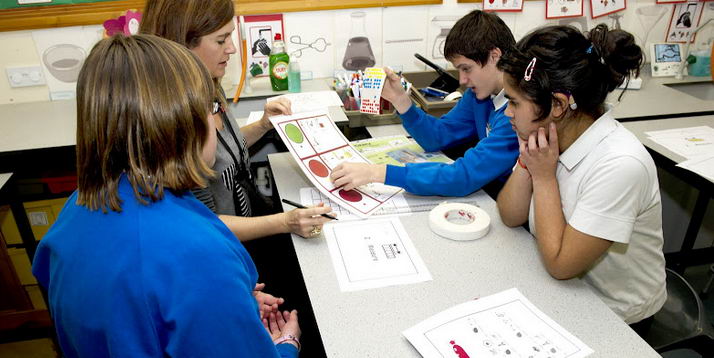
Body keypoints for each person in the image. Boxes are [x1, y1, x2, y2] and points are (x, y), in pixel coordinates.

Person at [31, 34, 302, 357]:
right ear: (182, 124)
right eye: (213, 107)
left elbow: (128, 306)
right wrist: (287, 346)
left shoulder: (75, 206)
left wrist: (227, 303)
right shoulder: (198, 252)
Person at [495, 24, 666, 333]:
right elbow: (510, 215)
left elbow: (561, 264)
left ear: (558, 105)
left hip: (616, 314)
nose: (507, 112)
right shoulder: (547, 137)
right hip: (563, 290)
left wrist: (545, 178)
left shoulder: (620, 164)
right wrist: (527, 163)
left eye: (514, 102)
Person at [140, 0, 333, 240]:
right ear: (183, 44)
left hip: (247, 218)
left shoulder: (209, 83)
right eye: (221, 40)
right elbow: (205, 225)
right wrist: (286, 222)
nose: (231, 49)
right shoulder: (174, 116)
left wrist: (263, 125)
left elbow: (224, 151)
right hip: (226, 241)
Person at [330, 10, 519, 198]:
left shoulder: (517, 113)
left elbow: (461, 177)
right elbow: (438, 137)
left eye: (466, 69)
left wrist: (376, 173)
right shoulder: (479, 94)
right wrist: (401, 101)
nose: (462, 80)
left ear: (495, 56)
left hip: (503, 204)